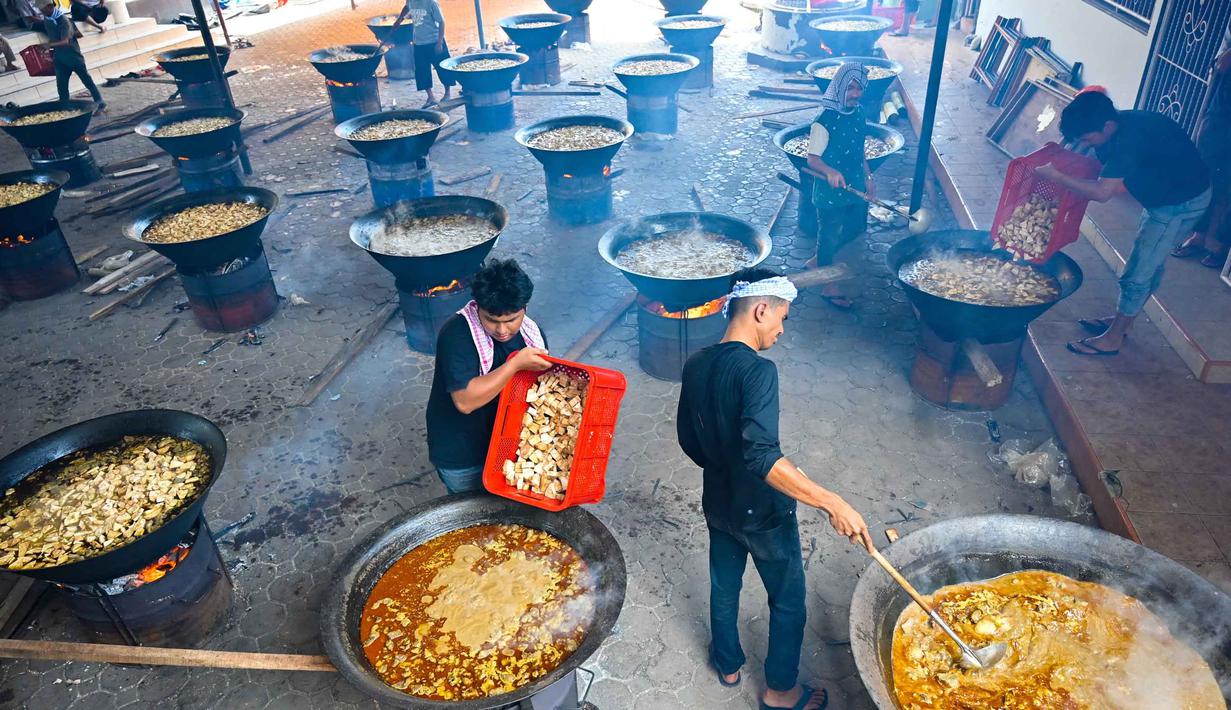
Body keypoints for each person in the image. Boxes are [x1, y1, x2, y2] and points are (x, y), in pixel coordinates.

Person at [677, 268, 872, 710]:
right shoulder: (759, 372)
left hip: (718, 502)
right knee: (788, 601)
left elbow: (690, 440)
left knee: (724, 586)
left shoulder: (697, 363)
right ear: (761, 310)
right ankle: (780, 690)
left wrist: (724, 464)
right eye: (782, 318)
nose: (781, 331)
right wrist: (831, 501)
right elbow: (762, 456)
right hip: (763, 513)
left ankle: (727, 664)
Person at [1040, 90, 1210, 356]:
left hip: (1178, 203)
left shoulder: (1129, 142)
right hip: (1171, 193)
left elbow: (1101, 193)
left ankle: (1113, 338)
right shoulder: (1119, 123)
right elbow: (1091, 151)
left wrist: (1056, 177)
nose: (1086, 144)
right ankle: (1122, 323)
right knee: (1149, 263)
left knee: (1138, 272)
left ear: (1106, 126)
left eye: (1087, 138)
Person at [425, 259, 551, 494]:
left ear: (525, 308)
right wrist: (514, 365)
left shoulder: (533, 335)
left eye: (511, 320)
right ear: (477, 308)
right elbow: (465, 401)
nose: (502, 331)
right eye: (491, 320)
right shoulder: (457, 335)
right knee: (476, 516)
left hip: (508, 446)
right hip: (463, 452)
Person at [805, 62, 870, 309]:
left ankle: (818, 260)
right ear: (839, 86)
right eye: (850, 88)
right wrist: (830, 171)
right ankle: (827, 285)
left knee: (854, 228)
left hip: (855, 183)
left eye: (859, 89)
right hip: (829, 190)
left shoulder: (860, 112)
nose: (855, 94)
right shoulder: (823, 121)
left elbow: (860, 149)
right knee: (829, 235)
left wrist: (869, 178)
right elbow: (812, 159)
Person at [1172, 24, 1231, 269]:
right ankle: (1199, 233)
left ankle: (1219, 239)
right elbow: (1222, 61)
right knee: (1208, 170)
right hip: (1224, 107)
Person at [40, 0, 105, 112]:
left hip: (73, 56)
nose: (41, 11)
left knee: (86, 80)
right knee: (62, 86)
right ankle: (65, 108)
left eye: (43, 8)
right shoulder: (47, 20)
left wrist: (48, 45)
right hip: (59, 57)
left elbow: (65, 41)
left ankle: (100, 101)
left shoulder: (64, 21)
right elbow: (53, 36)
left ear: (50, 6)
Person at [405, 0, 454, 108]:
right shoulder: (411, 1)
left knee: (443, 69)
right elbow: (406, 7)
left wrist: (439, 42)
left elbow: (442, 22)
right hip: (419, 42)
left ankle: (447, 93)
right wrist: (399, 19)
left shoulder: (431, 3)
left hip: (434, 41)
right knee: (422, 71)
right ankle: (431, 97)